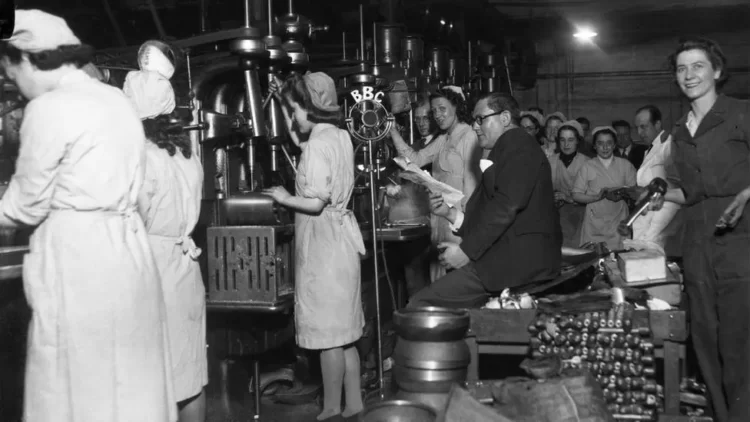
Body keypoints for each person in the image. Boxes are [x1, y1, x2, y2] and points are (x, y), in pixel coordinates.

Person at [0, 10, 177, 422]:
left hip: (79, 260)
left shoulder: (49, 108)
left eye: (12, 72)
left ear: (30, 59)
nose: (16, 84)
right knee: (126, 386)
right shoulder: (114, 99)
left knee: (77, 389)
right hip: (128, 255)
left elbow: (25, 205)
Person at [650, 37, 750, 422]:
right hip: (697, 244)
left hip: (740, 241)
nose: (688, 75)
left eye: (697, 66)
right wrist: (663, 195)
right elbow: (693, 192)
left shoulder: (741, 113)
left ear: (717, 71)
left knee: (740, 339)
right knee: (705, 339)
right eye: (681, 68)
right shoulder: (679, 131)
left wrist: (745, 193)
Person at [263, 72, 365, 422]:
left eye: (295, 110)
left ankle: (332, 409)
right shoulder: (338, 137)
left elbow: (316, 201)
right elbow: (301, 143)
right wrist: (281, 100)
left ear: (310, 107)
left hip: (325, 244)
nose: (293, 118)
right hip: (342, 242)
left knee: (328, 336)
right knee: (345, 334)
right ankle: (354, 404)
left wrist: (284, 197)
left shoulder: (319, 146)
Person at [408, 93, 561, 309]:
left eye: (481, 119)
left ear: (505, 118)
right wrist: (450, 213)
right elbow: (490, 210)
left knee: (420, 304)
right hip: (508, 261)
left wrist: (466, 251)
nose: (475, 126)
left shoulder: (518, 145)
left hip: (516, 266)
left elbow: (505, 207)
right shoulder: (505, 150)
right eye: (473, 120)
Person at [123, 42, 208, 422]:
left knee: (153, 382)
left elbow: (131, 222)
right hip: (186, 272)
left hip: (153, 273)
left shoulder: (142, 159)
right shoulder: (187, 154)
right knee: (189, 376)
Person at [389, 86, 482, 281]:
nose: (437, 115)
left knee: (457, 282)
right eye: (434, 111)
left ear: (456, 106)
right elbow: (414, 160)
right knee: (440, 281)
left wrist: (469, 228)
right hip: (440, 218)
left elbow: (472, 186)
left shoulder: (469, 135)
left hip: (459, 221)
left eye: (442, 109)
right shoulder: (443, 138)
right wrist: (392, 131)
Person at [384, 96, 435, 298]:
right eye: (418, 119)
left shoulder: (439, 147)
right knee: (414, 282)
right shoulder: (414, 147)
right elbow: (399, 177)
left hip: (435, 223)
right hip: (416, 224)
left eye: (426, 118)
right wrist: (391, 186)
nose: (422, 123)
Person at [624, 105, 680, 254]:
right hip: (647, 213)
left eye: (644, 127)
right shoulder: (651, 148)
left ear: (657, 124)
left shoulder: (669, 145)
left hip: (662, 215)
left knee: (654, 259)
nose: (640, 133)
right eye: (637, 128)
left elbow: (677, 185)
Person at [572, 126, 637, 250]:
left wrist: (623, 193)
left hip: (619, 221)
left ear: (614, 145)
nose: (605, 147)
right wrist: (596, 197)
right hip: (594, 224)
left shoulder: (626, 165)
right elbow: (576, 195)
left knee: (619, 259)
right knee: (594, 261)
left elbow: (635, 192)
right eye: (600, 143)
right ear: (595, 146)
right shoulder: (587, 166)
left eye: (609, 143)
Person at [549, 120, 590, 247]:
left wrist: (567, 198)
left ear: (578, 141)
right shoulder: (550, 161)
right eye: (562, 140)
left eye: (571, 140)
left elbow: (592, 197)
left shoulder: (587, 163)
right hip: (556, 217)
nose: (566, 144)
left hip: (580, 217)